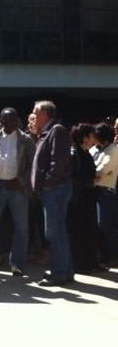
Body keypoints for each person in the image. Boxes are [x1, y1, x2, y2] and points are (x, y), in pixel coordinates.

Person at [0, 108, 35, 277]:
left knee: (21, 228)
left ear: (17, 120)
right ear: (0, 120)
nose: (8, 122)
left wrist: (19, 181)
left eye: (12, 119)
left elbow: (32, 166)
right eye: (5, 119)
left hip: (17, 189)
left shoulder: (26, 140)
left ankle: (17, 264)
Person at [31, 100, 73, 286]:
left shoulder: (56, 130)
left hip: (55, 190)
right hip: (53, 189)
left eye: (35, 112)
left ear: (45, 114)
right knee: (58, 232)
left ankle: (59, 274)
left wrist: (47, 183)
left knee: (54, 233)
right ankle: (65, 271)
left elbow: (59, 161)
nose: (32, 116)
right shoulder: (48, 132)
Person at [67, 124, 101, 274]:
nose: (94, 139)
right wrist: (88, 182)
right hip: (78, 199)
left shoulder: (85, 153)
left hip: (87, 197)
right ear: (85, 137)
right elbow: (71, 178)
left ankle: (90, 262)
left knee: (89, 230)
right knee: (79, 231)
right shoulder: (74, 154)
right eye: (91, 136)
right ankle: (80, 264)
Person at [91, 123, 118, 267]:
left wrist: (89, 174)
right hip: (94, 191)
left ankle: (105, 258)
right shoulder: (97, 149)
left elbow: (101, 171)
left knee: (104, 226)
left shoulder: (113, 151)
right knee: (95, 226)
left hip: (105, 192)